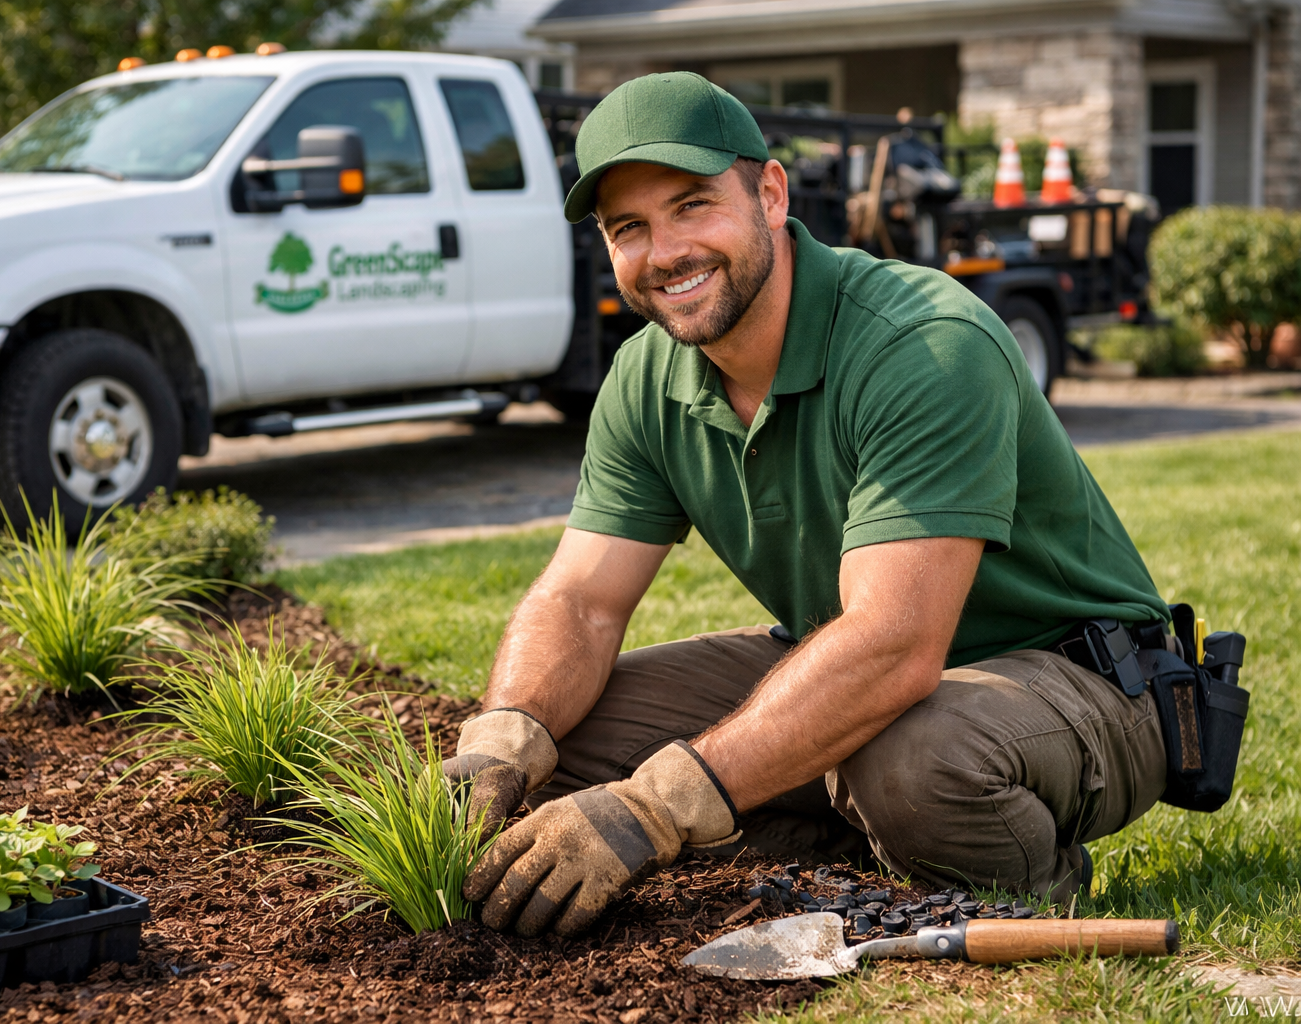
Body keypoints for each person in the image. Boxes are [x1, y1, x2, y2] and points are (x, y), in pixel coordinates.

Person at [444, 72, 1169, 939]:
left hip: (1077, 676)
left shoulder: (924, 345)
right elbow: (582, 602)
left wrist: (657, 807)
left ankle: (1012, 880)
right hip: (861, 660)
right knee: (567, 747)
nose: (665, 251)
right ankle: (849, 841)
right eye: (627, 228)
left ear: (772, 194)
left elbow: (896, 646)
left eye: (691, 205)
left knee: (911, 758)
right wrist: (505, 738)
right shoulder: (646, 376)